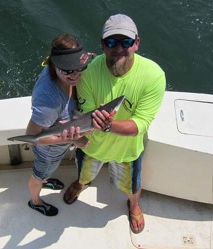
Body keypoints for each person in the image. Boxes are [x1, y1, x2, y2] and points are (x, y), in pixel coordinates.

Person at [63, 14, 166, 233]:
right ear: (102, 45)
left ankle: (134, 204)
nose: (118, 48)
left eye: (125, 42)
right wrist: (95, 123)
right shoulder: (88, 71)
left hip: (128, 150)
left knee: (132, 186)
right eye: (111, 42)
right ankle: (82, 184)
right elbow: (86, 114)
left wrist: (109, 125)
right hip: (92, 146)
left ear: (136, 43)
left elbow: (141, 124)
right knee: (84, 174)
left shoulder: (154, 75)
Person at [26, 33, 94, 216]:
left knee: (47, 171)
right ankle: (36, 200)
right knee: (38, 175)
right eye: (67, 70)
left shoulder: (64, 72)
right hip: (48, 152)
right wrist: (75, 141)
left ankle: (46, 179)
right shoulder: (49, 100)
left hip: (58, 148)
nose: (75, 74)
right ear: (54, 66)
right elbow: (33, 138)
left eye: (79, 67)